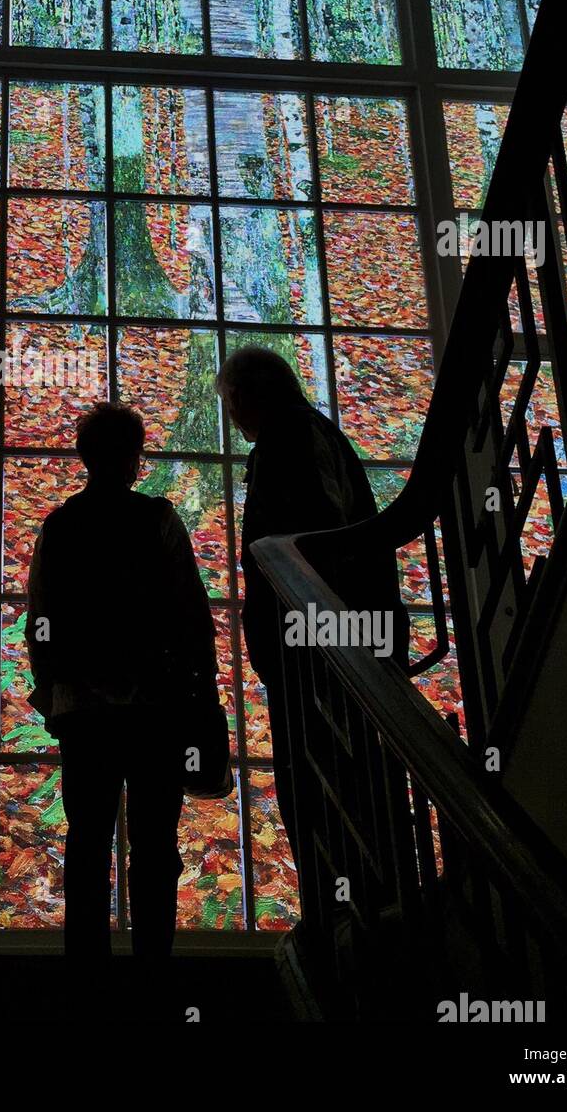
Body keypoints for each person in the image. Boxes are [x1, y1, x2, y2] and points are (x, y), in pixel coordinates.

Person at [26, 402, 218, 959]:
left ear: (84, 457)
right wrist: (201, 690)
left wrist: (54, 691)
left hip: (85, 710)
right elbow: (191, 614)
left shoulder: (61, 527)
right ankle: (153, 970)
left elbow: (41, 618)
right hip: (156, 707)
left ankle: (88, 977)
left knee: (87, 843)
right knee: (156, 846)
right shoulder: (158, 520)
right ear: (135, 459)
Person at [217, 345, 409, 887]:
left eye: (232, 401)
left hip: (319, 646)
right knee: (347, 775)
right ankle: (363, 902)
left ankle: (347, 908)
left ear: (252, 395)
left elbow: (314, 540)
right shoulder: (311, 434)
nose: (231, 415)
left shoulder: (290, 440)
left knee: (320, 777)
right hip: (335, 638)